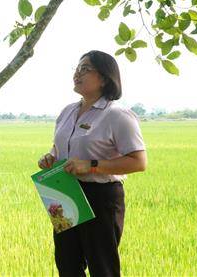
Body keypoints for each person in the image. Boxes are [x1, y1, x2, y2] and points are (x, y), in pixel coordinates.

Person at [37, 50, 147, 277]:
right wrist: (50, 158)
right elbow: (58, 148)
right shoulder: (67, 111)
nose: (77, 74)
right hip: (64, 192)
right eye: (76, 69)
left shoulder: (117, 115)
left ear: (105, 78)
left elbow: (138, 162)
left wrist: (91, 165)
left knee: (102, 267)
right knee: (67, 265)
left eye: (85, 69)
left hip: (100, 197)